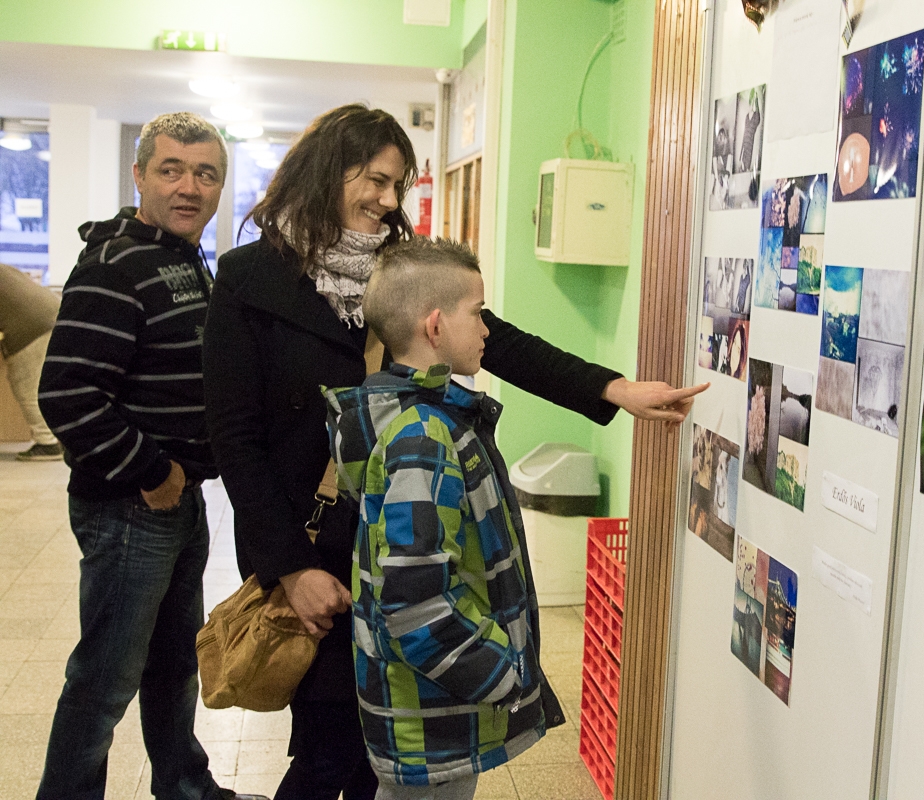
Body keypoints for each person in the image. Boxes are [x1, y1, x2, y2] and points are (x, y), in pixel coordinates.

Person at [203, 103, 706, 800]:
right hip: (314, 550)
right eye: (375, 180)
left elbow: (500, 342)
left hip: (401, 538)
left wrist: (614, 389)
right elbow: (236, 441)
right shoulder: (248, 278)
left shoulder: (398, 271)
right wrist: (290, 569)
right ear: (327, 173)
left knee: (386, 752)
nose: (388, 201)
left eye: (397, 185)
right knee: (326, 751)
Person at [36, 112, 265, 800]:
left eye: (206, 174)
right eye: (171, 170)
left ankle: (185, 787)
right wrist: (153, 471)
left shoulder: (181, 257)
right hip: (131, 507)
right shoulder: (116, 266)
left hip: (177, 502)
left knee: (173, 666)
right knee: (104, 680)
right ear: (139, 175)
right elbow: (67, 394)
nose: (189, 187)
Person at [326, 237, 549, 799]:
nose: (486, 330)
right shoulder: (423, 438)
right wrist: (500, 671)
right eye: (477, 313)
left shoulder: (424, 421)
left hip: (433, 708)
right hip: (432, 712)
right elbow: (414, 603)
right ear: (435, 326)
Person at [0, 262, 62, 461]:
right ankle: (58, 437)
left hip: (31, 326)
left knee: (27, 385)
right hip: (51, 313)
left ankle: (48, 443)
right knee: (46, 384)